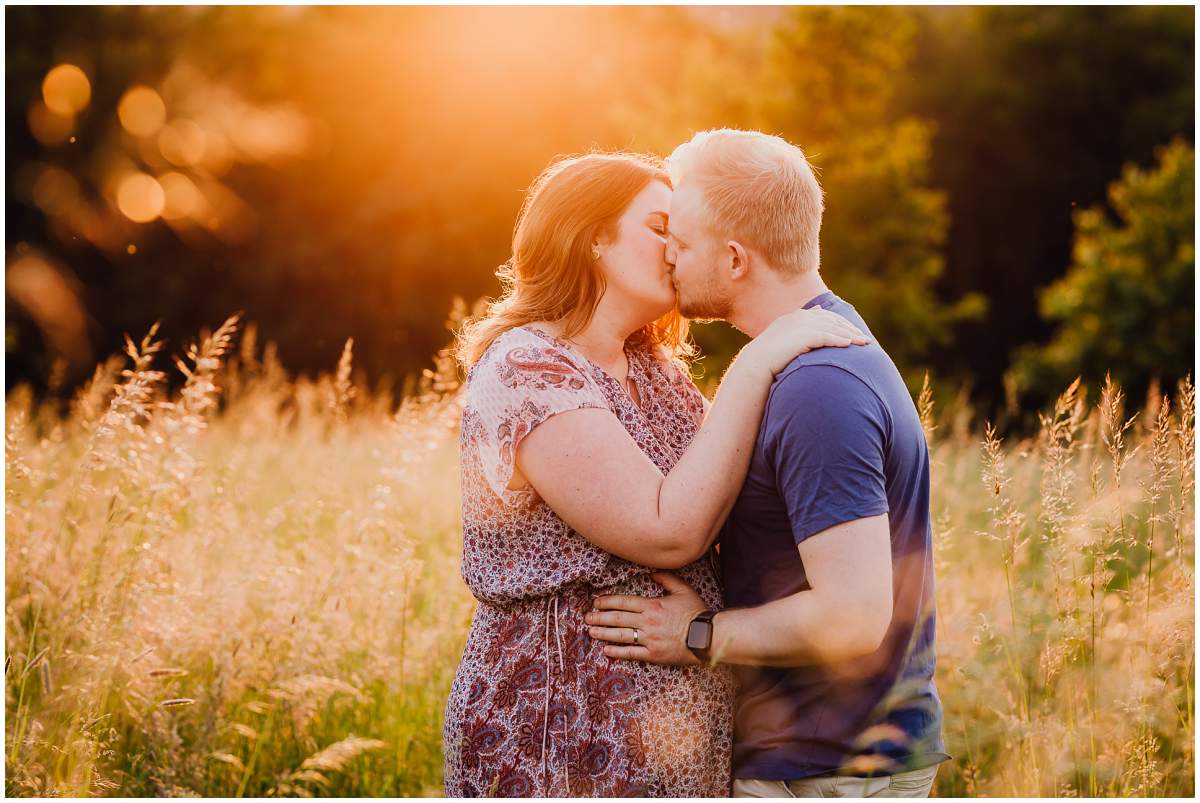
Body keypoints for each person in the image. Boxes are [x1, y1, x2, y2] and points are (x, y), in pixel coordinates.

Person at [443, 150, 870, 797]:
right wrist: (757, 365)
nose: (678, 247)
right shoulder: (527, 367)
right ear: (594, 240)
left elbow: (730, 496)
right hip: (558, 730)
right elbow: (667, 531)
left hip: (673, 736)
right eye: (659, 226)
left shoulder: (653, 369)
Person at [587, 129, 950, 798]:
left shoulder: (820, 387)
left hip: (833, 767)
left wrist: (700, 633)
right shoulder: (811, 356)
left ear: (733, 259)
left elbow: (852, 615)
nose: (668, 256)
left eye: (683, 242)